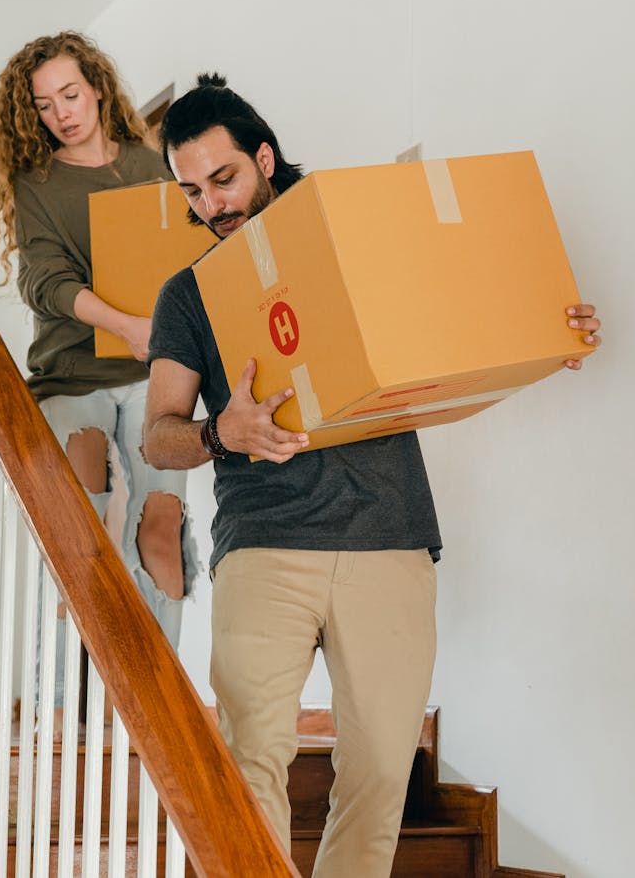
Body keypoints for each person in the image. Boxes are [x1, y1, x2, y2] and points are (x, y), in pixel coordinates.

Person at [143, 73, 601, 877]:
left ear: (265, 156)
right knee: (250, 768)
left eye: (224, 179)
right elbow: (156, 436)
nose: (212, 204)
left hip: (388, 537)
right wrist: (222, 430)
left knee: (383, 775)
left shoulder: (353, 233)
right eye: (193, 191)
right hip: (264, 544)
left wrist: (543, 319)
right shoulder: (190, 294)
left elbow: (456, 309)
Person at [0, 31, 199, 719]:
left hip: (156, 372)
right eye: (44, 105)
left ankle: (158, 704)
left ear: (97, 87)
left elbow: (187, 262)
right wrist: (129, 325)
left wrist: (169, 337)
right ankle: (61, 708)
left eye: (70, 94)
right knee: (87, 529)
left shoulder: (149, 166)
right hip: (73, 378)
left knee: (160, 525)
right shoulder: (37, 182)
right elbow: (46, 280)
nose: (61, 113)